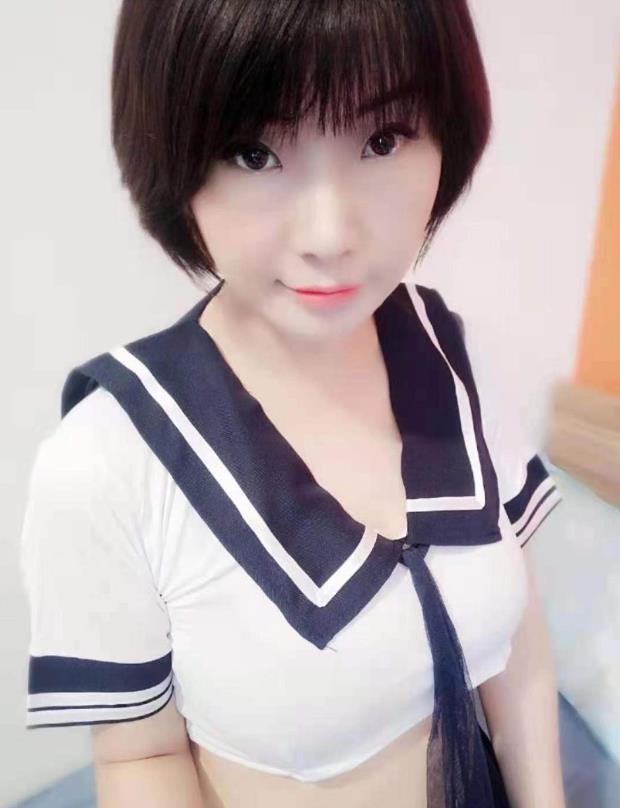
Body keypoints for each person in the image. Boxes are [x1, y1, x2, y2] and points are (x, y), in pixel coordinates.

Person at [20, 1, 566, 806]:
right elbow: (140, 757)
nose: (329, 235)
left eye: (384, 139)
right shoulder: (105, 461)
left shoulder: (453, 354)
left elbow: (514, 646)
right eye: (254, 152)